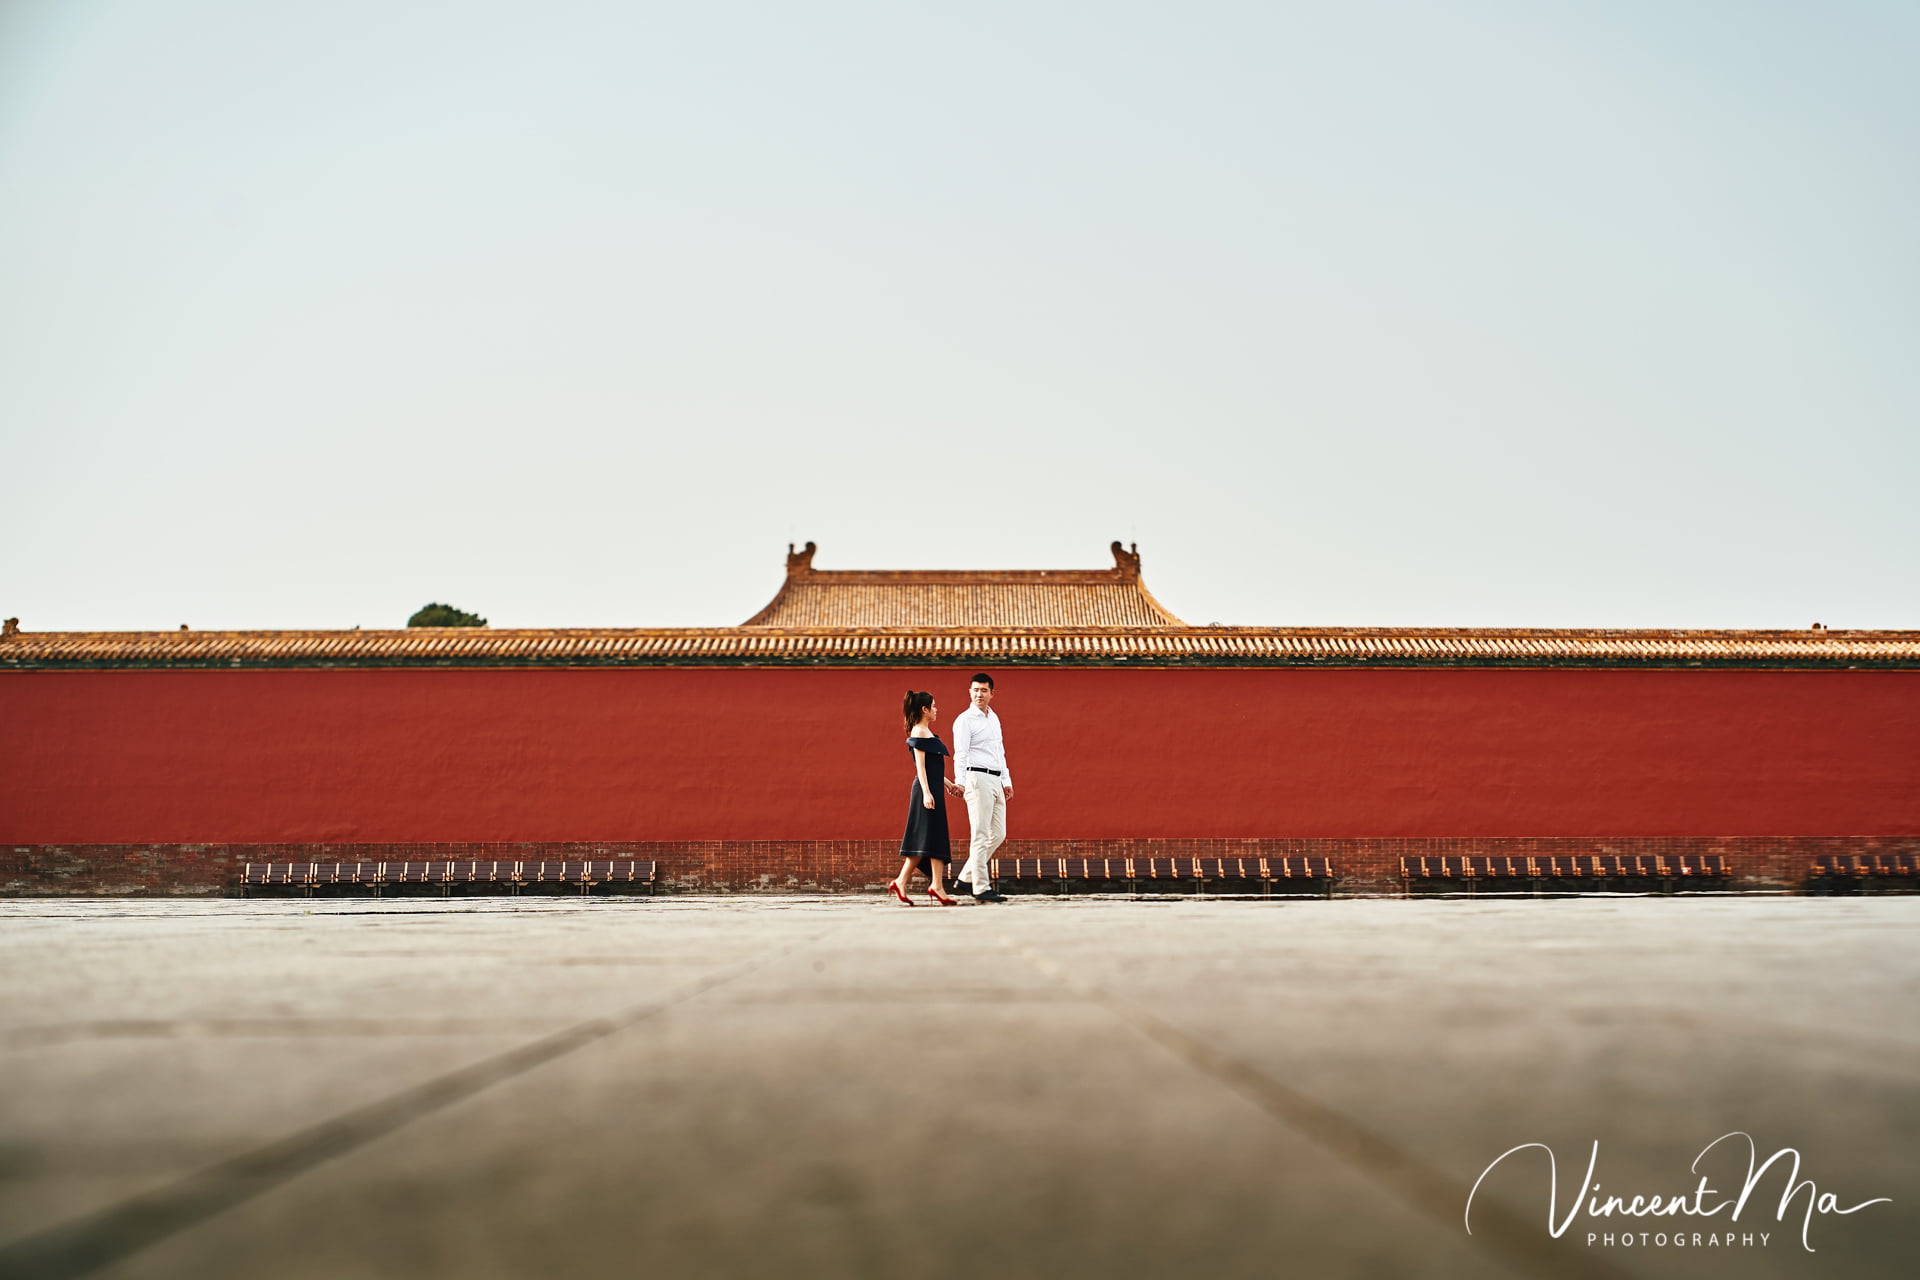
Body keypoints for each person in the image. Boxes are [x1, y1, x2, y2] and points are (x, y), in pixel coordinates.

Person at [893, 690, 965, 905]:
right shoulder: (920, 731)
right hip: (926, 791)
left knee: (931, 838)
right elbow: (921, 768)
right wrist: (926, 793)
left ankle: (912, 883)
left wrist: (949, 784)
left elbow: (933, 768)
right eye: (933, 706)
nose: (936, 709)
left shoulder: (925, 731)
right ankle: (934, 885)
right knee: (929, 837)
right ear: (924, 709)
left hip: (934, 788)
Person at [950, 672, 1011, 902]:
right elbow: (961, 754)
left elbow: (1000, 752)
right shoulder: (965, 720)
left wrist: (1007, 781)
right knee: (980, 834)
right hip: (976, 778)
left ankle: (965, 878)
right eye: (975, 690)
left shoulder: (994, 719)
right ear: (969, 692)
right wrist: (961, 783)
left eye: (984, 690)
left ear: (992, 693)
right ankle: (981, 887)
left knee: (999, 834)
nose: (979, 694)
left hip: (995, 779)